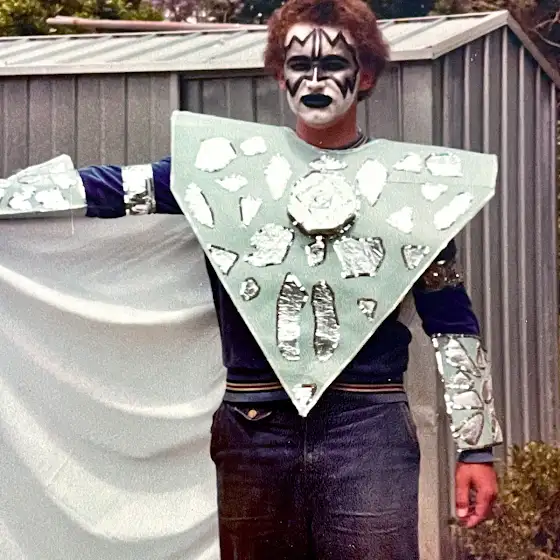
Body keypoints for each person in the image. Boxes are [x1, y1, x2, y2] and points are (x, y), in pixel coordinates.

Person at [0, 0, 502, 558]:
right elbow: (112, 189)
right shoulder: (226, 170)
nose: (315, 80)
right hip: (253, 424)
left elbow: (450, 319)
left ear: (365, 75)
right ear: (279, 74)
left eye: (333, 64)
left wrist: (476, 448)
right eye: (299, 64)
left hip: (368, 425)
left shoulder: (412, 187)